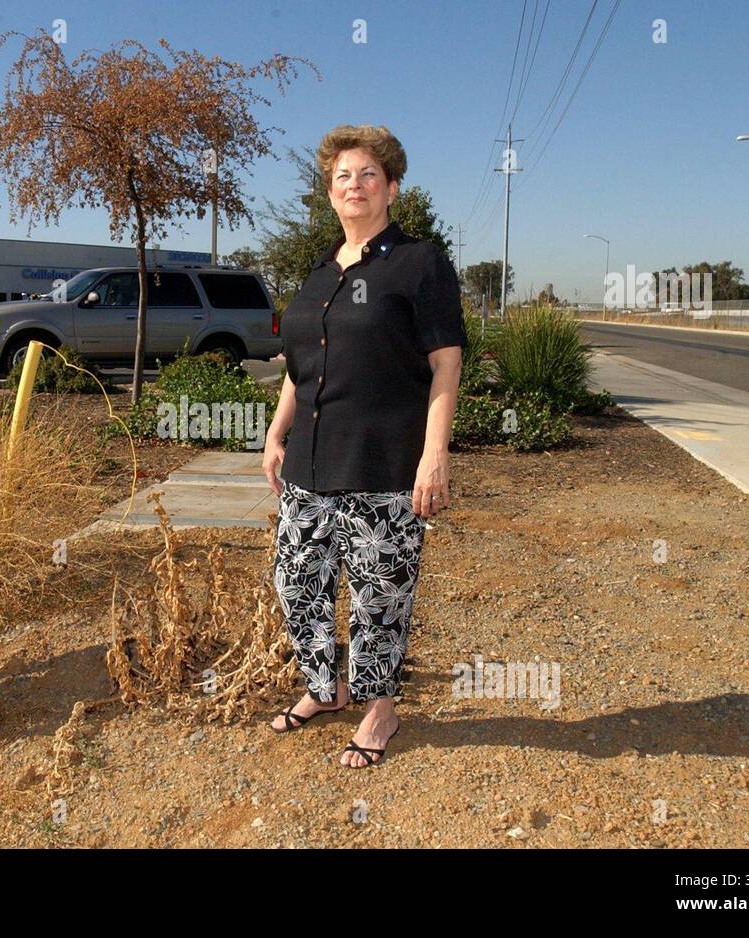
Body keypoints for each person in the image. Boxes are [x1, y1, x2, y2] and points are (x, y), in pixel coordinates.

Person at [262, 125, 468, 767]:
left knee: (380, 596)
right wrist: (275, 432)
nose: (355, 185)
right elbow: (303, 367)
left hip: (383, 466)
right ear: (329, 192)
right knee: (296, 583)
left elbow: (445, 362)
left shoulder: (418, 263)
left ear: (392, 188)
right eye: (343, 176)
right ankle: (326, 689)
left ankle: (380, 708)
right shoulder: (320, 273)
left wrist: (435, 454)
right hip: (309, 465)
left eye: (368, 174)